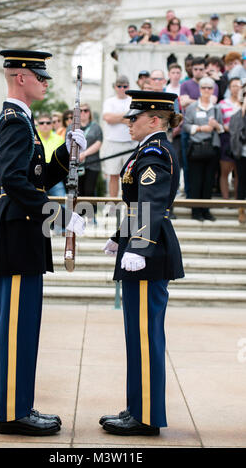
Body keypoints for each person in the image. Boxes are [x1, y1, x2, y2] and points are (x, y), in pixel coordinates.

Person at [0, 49, 86, 436]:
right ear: (20, 77)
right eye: (39, 76)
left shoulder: (22, 121)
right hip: (18, 236)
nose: (45, 82)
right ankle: (11, 414)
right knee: (15, 330)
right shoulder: (14, 121)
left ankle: (20, 405)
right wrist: (58, 215)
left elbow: (36, 175)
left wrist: (64, 152)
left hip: (24, 235)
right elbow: (14, 180)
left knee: (25, 328)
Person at [100, 90, 184, 436]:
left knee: (145, 335)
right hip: (143, 248)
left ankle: (146, 415)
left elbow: (152, 202)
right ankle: (138, 406)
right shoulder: (148, 150)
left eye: (134, 118)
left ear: (154, 120)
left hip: (149, 255)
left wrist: (138, 247)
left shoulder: (154, 152)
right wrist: (121, 238)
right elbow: (138, 205)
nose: (128, 122)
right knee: (137, 335)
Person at [183, 76, 224, 221]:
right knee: (196, 180)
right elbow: (186, 126)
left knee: (208, 182)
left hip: (212, 148)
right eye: (204, 87)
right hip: (196, 148)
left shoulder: (217, 108)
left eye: (209, 88)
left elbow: (221, 129)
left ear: (213, 90)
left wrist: (215, 126)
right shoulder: (192, 108)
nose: (207, 90)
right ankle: (196, 211)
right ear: (200, 90)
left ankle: (206, 210)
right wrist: (200, 128)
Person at [180, 57, 219, 198]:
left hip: (209, 139)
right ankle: (190, 196)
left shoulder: (212, 83)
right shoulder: (185, 84)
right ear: (191, 69)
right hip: (189, 133)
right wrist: (201, 101)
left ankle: (203, 202)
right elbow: (183, 103)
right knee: (188, 167)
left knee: (208, 172)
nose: (198, 71)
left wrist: (192, 101)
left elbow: (213, 101)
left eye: (201, 69)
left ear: (205, 69)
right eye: (195, 69)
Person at [101, 75, 137, 197]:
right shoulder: (109, 101)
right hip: (113, 143)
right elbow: (107, 118)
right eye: (119, 86)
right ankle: (112, 204)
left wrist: (117, 117)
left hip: (130, 143)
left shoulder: (132, 101)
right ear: (115, 87)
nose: (122, 88)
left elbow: (133, 119)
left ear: (128, 87)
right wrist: (125, 117)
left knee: (128, 176)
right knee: (113, 175)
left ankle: (127, 203)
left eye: (125, 86)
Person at [218, 78, 241, 200]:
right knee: (225, 172)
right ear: (229, 88)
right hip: (226, 139)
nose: (236, 88)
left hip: (241, 141)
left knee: (239, 174)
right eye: (233, 86)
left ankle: (238, 201)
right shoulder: (223, 104)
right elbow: (219, 122)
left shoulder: (244, 103)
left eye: (238, 85)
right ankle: (226, 200)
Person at [229, 82, 246, 223]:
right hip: (242, 154)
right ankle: (241, 210)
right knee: (241, 182)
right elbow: (235, 135)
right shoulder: (236, 116)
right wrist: (243, 113)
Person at [78, 103, 103, 199]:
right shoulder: (72, 126)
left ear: (89, 113)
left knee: (89, 191)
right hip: (77, 164)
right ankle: (79, 214)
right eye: (80, 111)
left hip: (92, 164)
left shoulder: (96, 127)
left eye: (86, 110)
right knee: (78, 191)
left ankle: (90, 213)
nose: (83, 113)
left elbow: (98, 143)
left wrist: (84, 154)